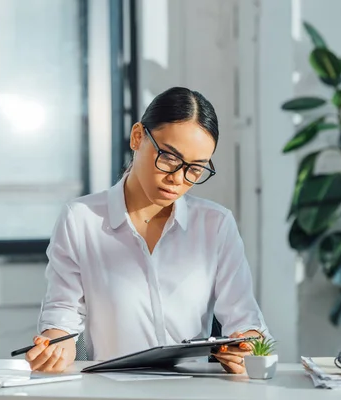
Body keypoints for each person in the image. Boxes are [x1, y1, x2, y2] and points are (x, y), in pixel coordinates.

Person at [25, 86, 272, 374]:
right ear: (138, 137)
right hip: (111, 392)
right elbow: (62, 318)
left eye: (195, 169)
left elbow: (247, 324)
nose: (177, 179)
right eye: (168, 157)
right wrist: (55, 347)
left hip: (191, 392)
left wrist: (245, 346)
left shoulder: (215, 224)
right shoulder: (81, 219)